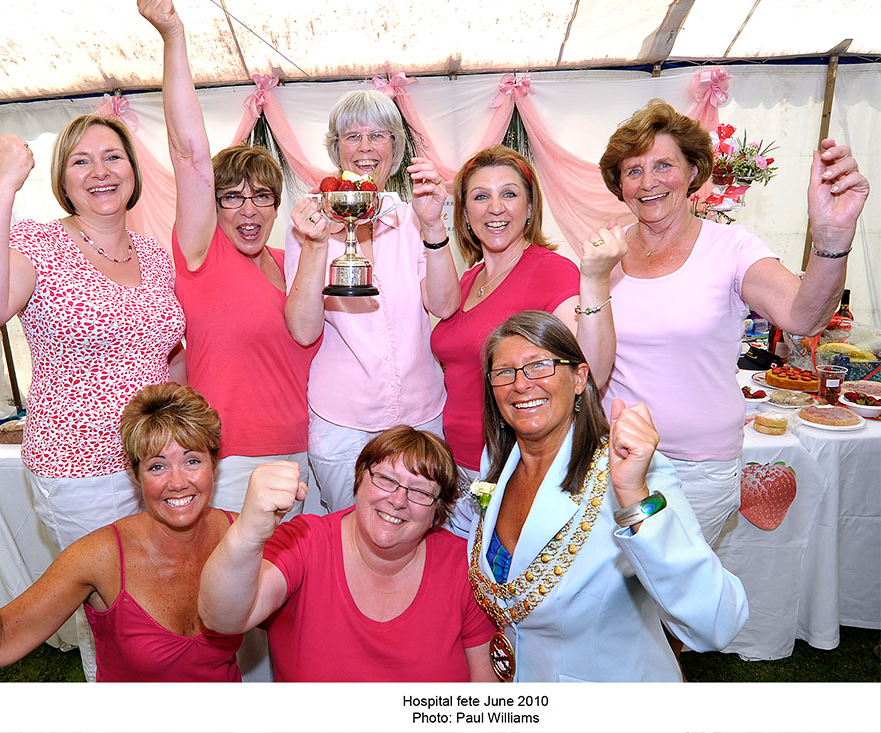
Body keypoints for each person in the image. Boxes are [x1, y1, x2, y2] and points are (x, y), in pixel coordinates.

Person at [597, 99, 870, 543]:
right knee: (619, 603)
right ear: (620, 184)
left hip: (697, 467)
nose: (648, 183)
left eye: (663, 165)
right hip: (613, 457)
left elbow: (804, 316)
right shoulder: (603, 253)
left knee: (677, 598)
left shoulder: (731, 247)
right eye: (633, 171)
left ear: (692, 172)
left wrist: (832, 240)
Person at [469, 310, 748, 682]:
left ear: (580, 378)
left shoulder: (629, 472)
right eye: (504, 372)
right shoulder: (497, 460)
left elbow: (718, 621)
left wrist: (634, 496)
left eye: (539, 366)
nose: (520, 384)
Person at [0, 115, 185, 550]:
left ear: (132, 170)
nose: (100, 172)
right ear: (62, 180)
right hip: (80, 466)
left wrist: (185, 439)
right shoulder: (37, 243)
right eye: (81, 161)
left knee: (157, 588)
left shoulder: (154, 254)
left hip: (155, 457)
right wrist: (0, 183)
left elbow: (168, 353)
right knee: (104, 596)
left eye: (113, 157)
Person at [0, 383, 242, 682]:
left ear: (214, 463)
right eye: (157, 466)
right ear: (136, 475)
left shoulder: (241, 536)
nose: (177, 481)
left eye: (192, 461)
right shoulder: (101, 556)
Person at [139, 0, 319, 515]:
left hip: (310, 451)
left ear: (277, 205)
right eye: (231, 196)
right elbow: (189, 152)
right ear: (212, 205)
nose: (248, 209)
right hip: (235, 459)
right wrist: (174, 36)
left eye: (262, 196)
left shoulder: (293, 261)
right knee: (241, 591)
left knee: (300, 588)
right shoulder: (202, 254)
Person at [198, 426, 499, 682]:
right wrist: (247, 533)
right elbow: (222, 619)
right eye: (386, 479)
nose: (397, 500)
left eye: (420, 491)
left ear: (438, 511)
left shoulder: (463, 567)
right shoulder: (305, 541)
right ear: (359, 480)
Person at [284, 89, 461, 512]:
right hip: (341, 421)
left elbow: (445, 305)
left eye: (378, 135)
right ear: (336, 148)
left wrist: (434, 226)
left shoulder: (413, 218)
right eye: (352, 136)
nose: (365, 148)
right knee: (347, 533)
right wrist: (313, 246)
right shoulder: (309, 222)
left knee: (415, 528)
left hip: (420, 415)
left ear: (395, 148)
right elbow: (304, 330)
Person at [431, 145, 626, 501]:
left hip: (513, 466)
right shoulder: (468, 279)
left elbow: (591, 372)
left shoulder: (551, 271)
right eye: (480, 196)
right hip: (456, 466)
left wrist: (596, 280)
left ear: (530, 207)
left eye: (509, 193)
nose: (495, 207)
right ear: (464, 213)